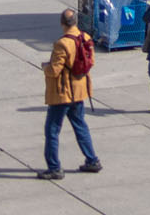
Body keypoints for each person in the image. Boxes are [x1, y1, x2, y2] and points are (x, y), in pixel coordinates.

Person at [38, 9, 102, 181]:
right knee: (80, 125)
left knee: (52, 130)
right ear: (75, 22)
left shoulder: (62, 43)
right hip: (79, 91)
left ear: (62, 23)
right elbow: (91, 61)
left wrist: (45, 66)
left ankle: (54, 167)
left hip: (63, 93)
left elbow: (54, 70)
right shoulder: (86, 37)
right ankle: (92, 160)